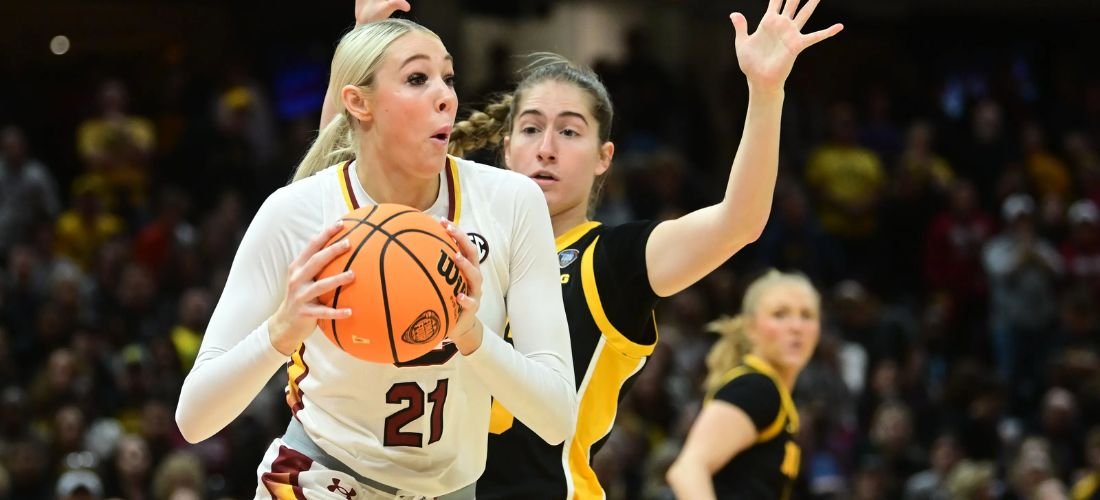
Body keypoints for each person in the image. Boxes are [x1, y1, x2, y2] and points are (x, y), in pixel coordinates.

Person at [426, 0, 839, 498]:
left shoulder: (612, 258)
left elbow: (739, 222)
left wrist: (766, 92)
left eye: (570, 131)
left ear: (605, 159)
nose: (547, 147)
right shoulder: (451, 242)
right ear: (507, 145)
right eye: (532, 129)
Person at [176, 17, 577, 500]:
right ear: (358, 102)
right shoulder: (296, 214)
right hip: (323, 477)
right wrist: (280, 333)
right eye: (416, 78)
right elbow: (194, 418)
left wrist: (471, 335)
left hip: (451, 489)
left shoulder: (511, 201)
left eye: (448, 78)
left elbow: (556, 419)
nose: (446, 95)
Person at [665, 270, 822, 499]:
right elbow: (687, 471)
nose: (796, 326)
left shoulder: (775, 393)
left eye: (807, 315)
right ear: (751, 328)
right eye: (780, 314)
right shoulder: (756, 388)